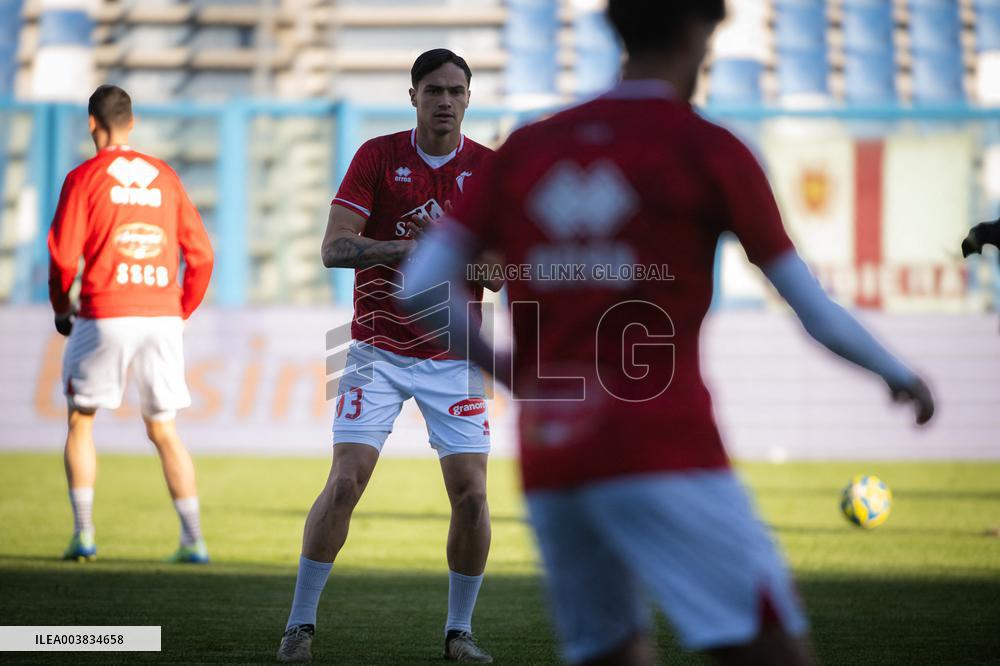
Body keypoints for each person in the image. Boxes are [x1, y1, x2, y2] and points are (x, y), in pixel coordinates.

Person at [401, 2, 936, 664]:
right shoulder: (706, 146)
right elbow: (810, 306)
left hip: (554, 457)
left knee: (614, 653)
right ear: (698, 31)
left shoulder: (530, 148)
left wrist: (509, 371)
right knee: (772, 651)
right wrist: (899, 375)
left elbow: (421, 282)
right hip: (665, 446)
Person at [277, 49, 501, 664]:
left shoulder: (487, 170)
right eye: (434, 90)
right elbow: (333, 249)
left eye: (456, 91)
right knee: (346, 481)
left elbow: (503, 271)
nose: (446, 101)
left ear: (467, 99)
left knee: (473, 496)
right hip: (376, 347)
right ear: (413, 96)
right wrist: (407, 248)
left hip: (453, 355)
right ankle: (299, 627)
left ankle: (459, 633)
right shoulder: (377, 156)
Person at [48, 84, 215, 564]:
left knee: (82, 420)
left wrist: (63, 307)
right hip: (161, 314)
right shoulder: (164, 176)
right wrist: (180, 309)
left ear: (91, 124)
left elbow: (63, 255)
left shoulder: (85, 177)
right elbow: (201, 254)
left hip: (104, 310)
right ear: (133, 123)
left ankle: (83, 534)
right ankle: (193, 540)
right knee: (163, 427)